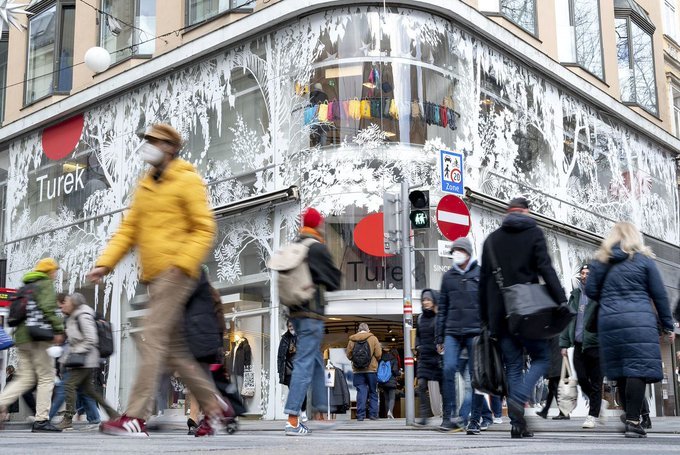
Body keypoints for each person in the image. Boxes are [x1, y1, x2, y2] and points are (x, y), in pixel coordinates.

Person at [87, 123, 233, 437]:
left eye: (153, 141)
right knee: (174, 351)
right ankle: (214, 406)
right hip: (154, 277)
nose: (148, 146)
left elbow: (204, 227)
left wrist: (182, 264)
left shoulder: (187, 179)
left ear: (169, 146)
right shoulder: (145, 186)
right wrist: (105, 264)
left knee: (152, 339)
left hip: (175, 272)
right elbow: (129, 230)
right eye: (147, 141)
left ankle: (135, 417)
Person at [479, 197, 567, 439]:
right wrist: (561, 300)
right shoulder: (534, 234)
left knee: (513, 365)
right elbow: (546, 269)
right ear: (526, 212)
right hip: (528, 312)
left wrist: (485, 318)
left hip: (501, 315)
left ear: (507, 213)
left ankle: (517, 424)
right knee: (541, 357)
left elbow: (484, 283)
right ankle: (519, 398)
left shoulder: (491, 240)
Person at [585, 222, 674, 439]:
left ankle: (630, 414)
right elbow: (660, 295)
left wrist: (610, 299)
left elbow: (591, 290)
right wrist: (667, 325)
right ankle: (634, 421)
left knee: (621, 369)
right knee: (637, 368)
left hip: (609, 321)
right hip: (639, 320)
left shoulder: (600, 261)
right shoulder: (644, 261)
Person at [283, 208, 341, 436]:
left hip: (296, 314)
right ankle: (292, 419)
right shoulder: (316, 248)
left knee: (315, 361)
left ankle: (322, 413)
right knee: (304, 364)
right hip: (312, 315)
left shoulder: (295, 246)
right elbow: (334, 280)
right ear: (317, 225)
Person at [0, 258, 65, 432]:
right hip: (39, 336)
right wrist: (58, 329)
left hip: (22, 338)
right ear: (49, 271)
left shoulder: (26, 285)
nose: (56, 274)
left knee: (26, 378)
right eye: (54, 270)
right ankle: (41, 420)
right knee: (46, 376)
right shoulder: (45, 284)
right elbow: (48, 308)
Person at [435, 236, 484, 434]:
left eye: (459, 250)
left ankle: (475, 420)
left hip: (475, 332)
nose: (456, 254)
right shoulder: (448, 277)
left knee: (476, 377)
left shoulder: (481, 274)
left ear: (468, 253)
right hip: (452, 331)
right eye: (453, 251)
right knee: (448, 369)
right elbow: (443, 308)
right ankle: (449, 417)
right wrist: (439, 337)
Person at [56, 293, 119, 431]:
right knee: (90, 391)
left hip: (85, 359)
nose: (62, 306)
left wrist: (76, 352)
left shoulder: (83, 315)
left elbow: (91, 339)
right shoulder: (74, 316)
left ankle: (67, 419)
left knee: (69, 385)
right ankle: (114, 414)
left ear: (73, 303)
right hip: (84, 358)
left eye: (65, 302)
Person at [559, 264, 604, 428]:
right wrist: (564, 344)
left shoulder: (600, 296)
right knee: (583, 379)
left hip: (596, 345)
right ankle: (597, 403)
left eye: (588, 273)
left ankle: (592, 415)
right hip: (578, 345)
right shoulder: (575, 295)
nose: (584, 276)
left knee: (596, 381)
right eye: (582, 273)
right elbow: (568, 321)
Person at [414, 289, 442, 426]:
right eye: (424, 300)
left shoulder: (439, 317)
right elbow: (418, 335)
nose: (425, 302)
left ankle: (448, 414)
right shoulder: (419, 318)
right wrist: (418, 346)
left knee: (444, 387)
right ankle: (424, 415)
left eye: (428, 299)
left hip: (437, 357)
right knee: (421, 386)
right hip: (424, 357)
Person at [347, 323, 382, 422]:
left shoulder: (352, 340)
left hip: (358, 371)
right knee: (373, 392)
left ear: (358, 330)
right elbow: (378, 354)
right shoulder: (373, 338)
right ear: (368, 330)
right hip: (371, 370)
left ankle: (361, 416)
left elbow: (348, 354)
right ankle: (373, 415)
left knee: (361, 391)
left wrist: (355, 360)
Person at [278, 320, 308, 423]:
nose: (291, 327)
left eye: (293, 325)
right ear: (287, 327)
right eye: (289, 326)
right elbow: (280, 356)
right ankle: (295, 414)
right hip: (289, 370)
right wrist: (279, 371)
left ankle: (303, 410)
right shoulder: (284, 339)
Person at [536, 337, 566, 420]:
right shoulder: (558, 331)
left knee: (555, 389)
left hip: (554, 364)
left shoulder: (551, 333)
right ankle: (545, 411)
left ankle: (563, 412)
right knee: (552, 388)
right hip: (556, 363)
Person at [377, 346, 399, 419]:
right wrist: (398, 374)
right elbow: (395, 370)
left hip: (383, 381)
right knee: (392, 398)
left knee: (386, 398)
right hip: (391, 380)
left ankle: (387, 414)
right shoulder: (394, 359)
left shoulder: (381, 359)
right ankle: (390, 412)